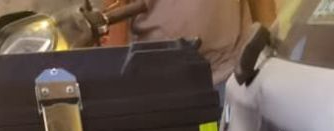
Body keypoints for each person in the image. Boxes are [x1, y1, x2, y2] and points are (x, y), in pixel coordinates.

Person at [104, 0, 278, 85]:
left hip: (228, 74)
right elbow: (116, 7)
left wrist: (271, 52)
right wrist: (114, 77)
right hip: (155, 80)